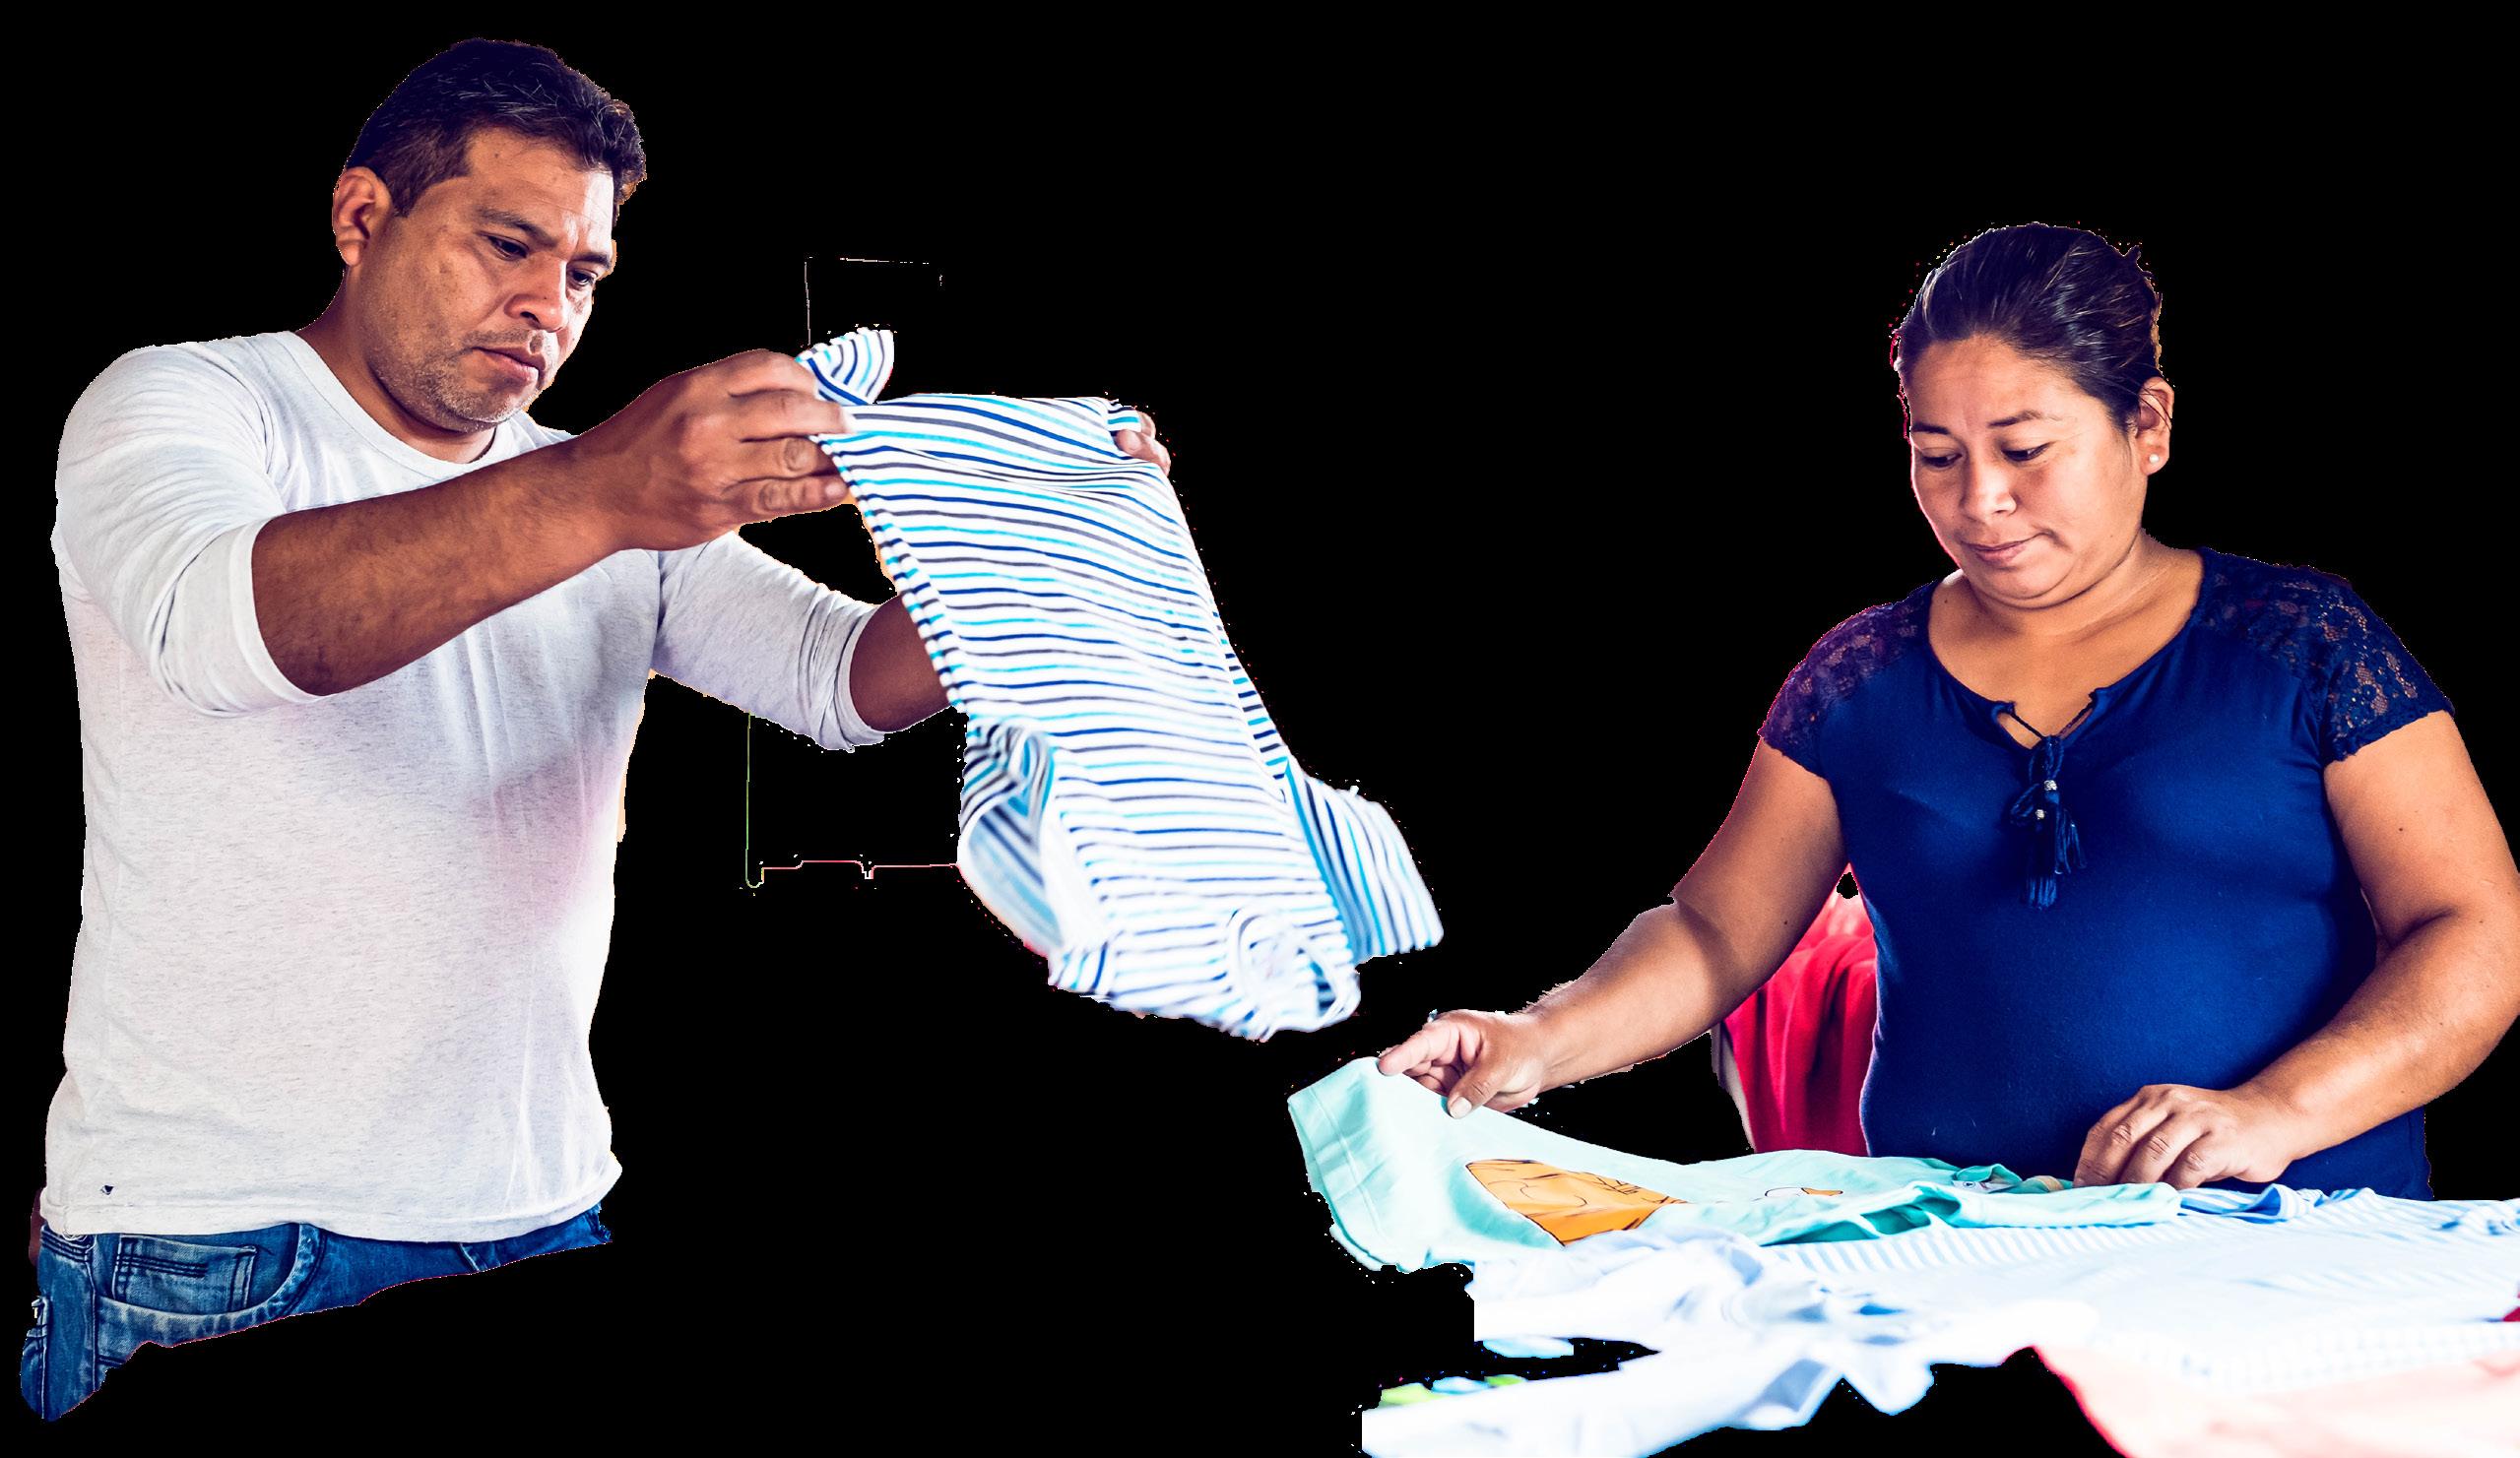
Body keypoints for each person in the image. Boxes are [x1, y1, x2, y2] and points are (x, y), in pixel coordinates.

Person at [21, 37, 1172, 1421]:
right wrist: (607, 488)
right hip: (224, 1240)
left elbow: (836, 675)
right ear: (361, 215)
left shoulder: (600, 491)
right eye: (506, 245)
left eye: (582, 273)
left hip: (541, 1206)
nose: (545, 307)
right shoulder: (185, 403)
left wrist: (1033, 562)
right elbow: (230, 628)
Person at [1379, 222, 2520, 1200]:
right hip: (1951, 1259)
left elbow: (2476, 929)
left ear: (2150, 425)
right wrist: (1535, 1040)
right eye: (1937, 455)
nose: (1981, 500)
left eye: (2025, 449)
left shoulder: (2307, 643)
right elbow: (1715, 932)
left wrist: (2278, 1109)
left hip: (2297, 1241)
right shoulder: (1858, 678)